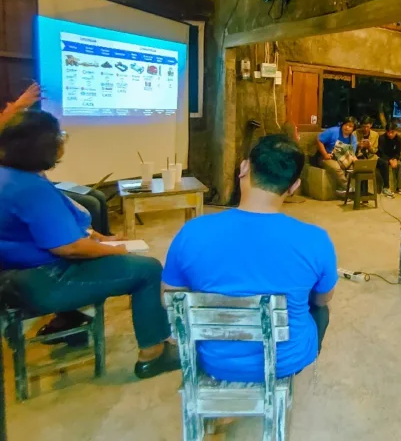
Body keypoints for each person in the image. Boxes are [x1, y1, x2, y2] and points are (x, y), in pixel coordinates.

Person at [0, 110, 179, 379]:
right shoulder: (30, 189)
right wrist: (111, 250)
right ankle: (152, 354)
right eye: (59, 136)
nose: (63, 141)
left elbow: (59, 222)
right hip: (44, 280)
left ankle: (67, 321)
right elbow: (68, 247)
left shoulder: (11, 175)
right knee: (148, 269)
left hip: (17, 274)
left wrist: (98, 238)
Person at [162, 135, 337, 382]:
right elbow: (322, 299)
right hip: (284, 361)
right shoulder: (316, 240)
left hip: (211, 359)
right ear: (294, 186)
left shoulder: (192, 232)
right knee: (320, 307)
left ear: (244, 168)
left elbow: (170, 300)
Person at [315, 117, 358, 193]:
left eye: (350, 126)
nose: (347, 127)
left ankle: (359, 191)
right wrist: (325, 154)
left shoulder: (353, 138)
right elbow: (319, 140)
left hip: (342, 159)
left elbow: (352, 153)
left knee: (355, 167)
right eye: (346, 125)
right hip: (327, 157)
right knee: (336, 168)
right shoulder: (333, 131)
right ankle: (347, 187)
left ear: (353, 129)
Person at [377, 122, 401, 197]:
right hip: (383, 158)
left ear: (396, 131)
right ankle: (386, 187)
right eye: (388, 132)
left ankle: (399, 187)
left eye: (392, 132)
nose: (390, 134)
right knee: (384, 163)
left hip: (393, 158)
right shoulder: (382, 138)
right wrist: (389, 160)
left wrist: (395, 159)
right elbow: (381, 152)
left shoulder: (398, 139)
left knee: (400, 165)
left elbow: (398, 152)